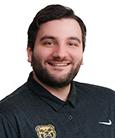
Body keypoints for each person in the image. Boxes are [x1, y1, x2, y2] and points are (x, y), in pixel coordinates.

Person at [0, 4, 115, 138]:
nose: (60, 54)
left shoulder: (109, 102)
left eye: (71, 43)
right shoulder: (6, 117)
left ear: (82, 53)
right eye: (49, 43)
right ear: (30, 52)